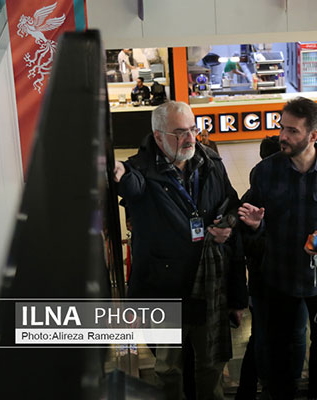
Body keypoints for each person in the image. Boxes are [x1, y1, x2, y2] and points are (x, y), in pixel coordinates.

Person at [113, 101, 247, 400]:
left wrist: (229, 224)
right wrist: (118, 172)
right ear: (158, 136)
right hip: (165, 290)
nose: (189, 138)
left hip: (207, 286)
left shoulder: (210, 163)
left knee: (211, 366)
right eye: (179, 133)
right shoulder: (140, 170)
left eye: (192, 130)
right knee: (168, 371)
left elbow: (233, 207)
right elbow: (132, 188)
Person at [239, 97, 317, 399]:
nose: (283, 136)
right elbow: (256, 220)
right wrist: (256, 225)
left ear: (313, 136)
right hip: (279, 277)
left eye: (293, 131)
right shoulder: (265, 172)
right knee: (281, 344)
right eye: (282, 128)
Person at [235, 135, 308, 400]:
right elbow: (245, 243)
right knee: (283, 333)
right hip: (273, 280)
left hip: (272, 281)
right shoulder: (255, 197)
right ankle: (279, 382)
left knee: (275, 334)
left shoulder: (297, 190)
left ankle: (275, 383)